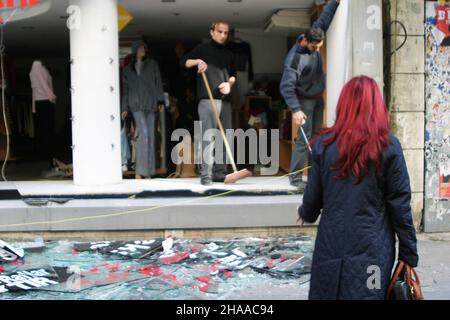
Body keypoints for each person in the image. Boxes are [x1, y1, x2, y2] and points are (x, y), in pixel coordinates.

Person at [297, 76, 419, 300]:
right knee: (370, 293)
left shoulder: (323, 145)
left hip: (330, 249)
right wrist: (408, 252)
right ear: (377, 106)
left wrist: (305, 212)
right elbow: (400, 204)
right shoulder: (388, 146)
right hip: (372, 254)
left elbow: (312, 203)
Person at [280, 0, 340, 188]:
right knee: (303, 140)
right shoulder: (294, 60)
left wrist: (335, 2)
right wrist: (296, 110)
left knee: (317, 139)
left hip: (317, 98)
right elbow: (286, 87)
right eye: (314, 48)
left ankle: (315, 178)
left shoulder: (315, 32)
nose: (317, 50)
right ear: (305, 41)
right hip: (304, 102)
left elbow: (325, 18)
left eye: (320, 47)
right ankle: (296, 178)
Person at [181, 20, 236, 186]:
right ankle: (206, 175)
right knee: (208, 137)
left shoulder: (229, 53)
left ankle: (220, 173)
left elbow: (233, 75)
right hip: (207, 100)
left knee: (225, 138)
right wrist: (197, 61)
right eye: (220, 32)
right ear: (212, 32)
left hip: (225, 101)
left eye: (226, 33)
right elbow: (184, 61)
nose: (223, 35)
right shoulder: (202, 49)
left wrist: (229, 84)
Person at [121, 41, 165, 179]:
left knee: (150, 137)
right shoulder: (127, 70)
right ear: (134, 50)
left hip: (150, 105)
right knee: (144, 134)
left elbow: (158, 83)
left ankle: (149, 171)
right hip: (136, 106)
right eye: (140, 48)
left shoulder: (152, 65)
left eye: (144, 48)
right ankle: (140, 171)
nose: (143, 50)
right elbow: (126, 91)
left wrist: (160, 100)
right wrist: (124, 108)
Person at [29, 60, 57, 167]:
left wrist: (34, 108)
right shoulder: (37, 68)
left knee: (47, 129)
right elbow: (43, 84)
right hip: (44, 101)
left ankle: (49, 156)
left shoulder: (38, 69)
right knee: (47, 129)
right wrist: (52, 96)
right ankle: (49, 157)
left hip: (42, 101)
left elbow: (35, 90)